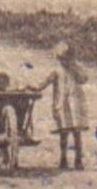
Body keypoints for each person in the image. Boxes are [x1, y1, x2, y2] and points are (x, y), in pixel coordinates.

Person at [33, 41, 89, 170]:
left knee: (77, 133)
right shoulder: (56, 71)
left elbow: (84, 79)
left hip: (75, 105)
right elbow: (44, 82)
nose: (66, 62)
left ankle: (78, 160)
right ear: (59, 59)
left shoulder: (76, 69)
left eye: (68, 59)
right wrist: (34, 88)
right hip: (62, 105)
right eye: (63, 59)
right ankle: (63, 159)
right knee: (63, 134)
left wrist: (76, 68)